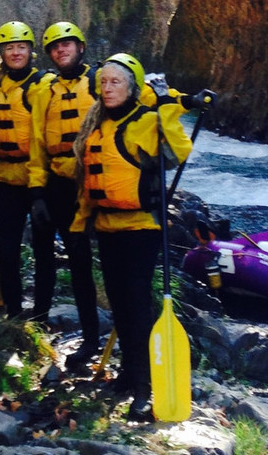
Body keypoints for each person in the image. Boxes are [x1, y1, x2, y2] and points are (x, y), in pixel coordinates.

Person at [71, 53, 192, 422]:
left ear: (132, 88)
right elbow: (88, 185)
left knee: (137, 309)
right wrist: (79, 225)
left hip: (141, 230)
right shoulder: (96, 126)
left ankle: (144, 387)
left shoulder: (147, 121)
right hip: (107, 229)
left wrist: (168, 106)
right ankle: (127, 375)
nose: (107, 88)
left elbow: (177, 153)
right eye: (103, 82)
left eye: (115, 82)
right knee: (121, 307)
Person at [27, 21, 100, 367]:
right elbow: (38, 145)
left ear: (80, 48)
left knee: (81, 260)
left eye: (66, 45)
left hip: (89, 185)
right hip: (55, 182)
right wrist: (37, 193)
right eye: (55, 47)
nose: (61, 51)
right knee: (43, 255)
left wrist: (186, 101)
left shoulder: (101, 82)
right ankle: (37, 324)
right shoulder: (44, 91)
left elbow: (145, 100)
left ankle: (90, 338)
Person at [0, 22, 53, 319]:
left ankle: (40, 312)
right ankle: (13, 311)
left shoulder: (43, 84)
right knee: (9, 248)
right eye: (9, 48)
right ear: (1, 52)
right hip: (6, 181)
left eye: (21, 47)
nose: (15, 53)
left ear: (31, 51)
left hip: (38, 181)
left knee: (43, 249)